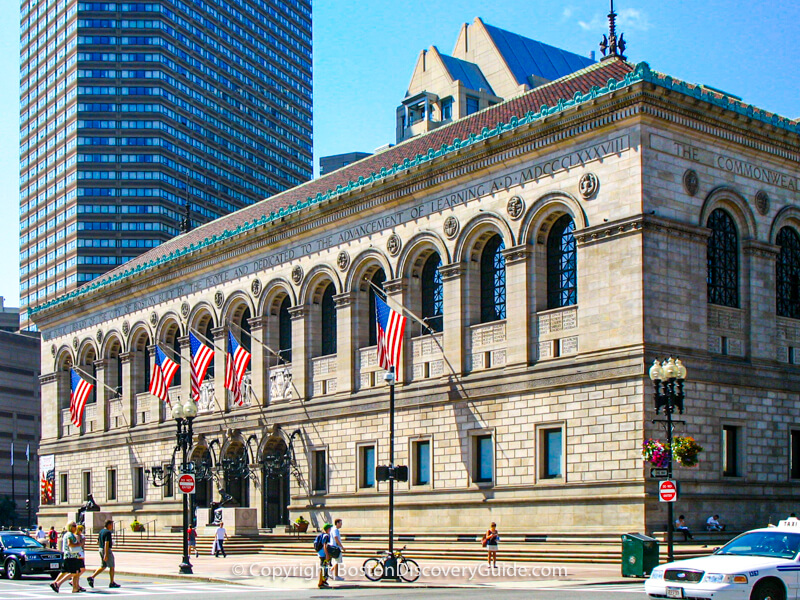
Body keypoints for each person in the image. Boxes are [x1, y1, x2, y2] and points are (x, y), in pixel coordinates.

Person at [50, 522, 82, 594]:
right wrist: (79, 544)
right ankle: (58, 584)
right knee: (73, 573)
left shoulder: (68, 534)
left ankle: (75, 588)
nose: (75, 527)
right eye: (74, 526)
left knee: (71, 572)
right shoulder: (69, 535)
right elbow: (70, 544)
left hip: (71, 556)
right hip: (71, 556)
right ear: (70, 527)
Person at [87, 519, 120, 589]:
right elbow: (106, 543)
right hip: (106, 550)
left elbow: (97, 541)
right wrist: (106, 554)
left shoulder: (101, 531)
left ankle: (92, 577)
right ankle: (112, 582)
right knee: (112, 566)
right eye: (111, 525)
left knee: (103, 566)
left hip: (100, 549)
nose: (112, 526)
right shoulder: (108, 532)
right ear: (108, 525)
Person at [316, 523, 333, 589]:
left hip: (320, 553)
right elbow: (325, 545)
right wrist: (327, 555)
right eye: (330, 528)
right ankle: (321, 582)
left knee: (324, 567)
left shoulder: (322, 535)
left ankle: (323, 581)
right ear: (328, 529)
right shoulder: (326, 536)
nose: (330, 529)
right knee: (323, 568)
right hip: (323, 554)